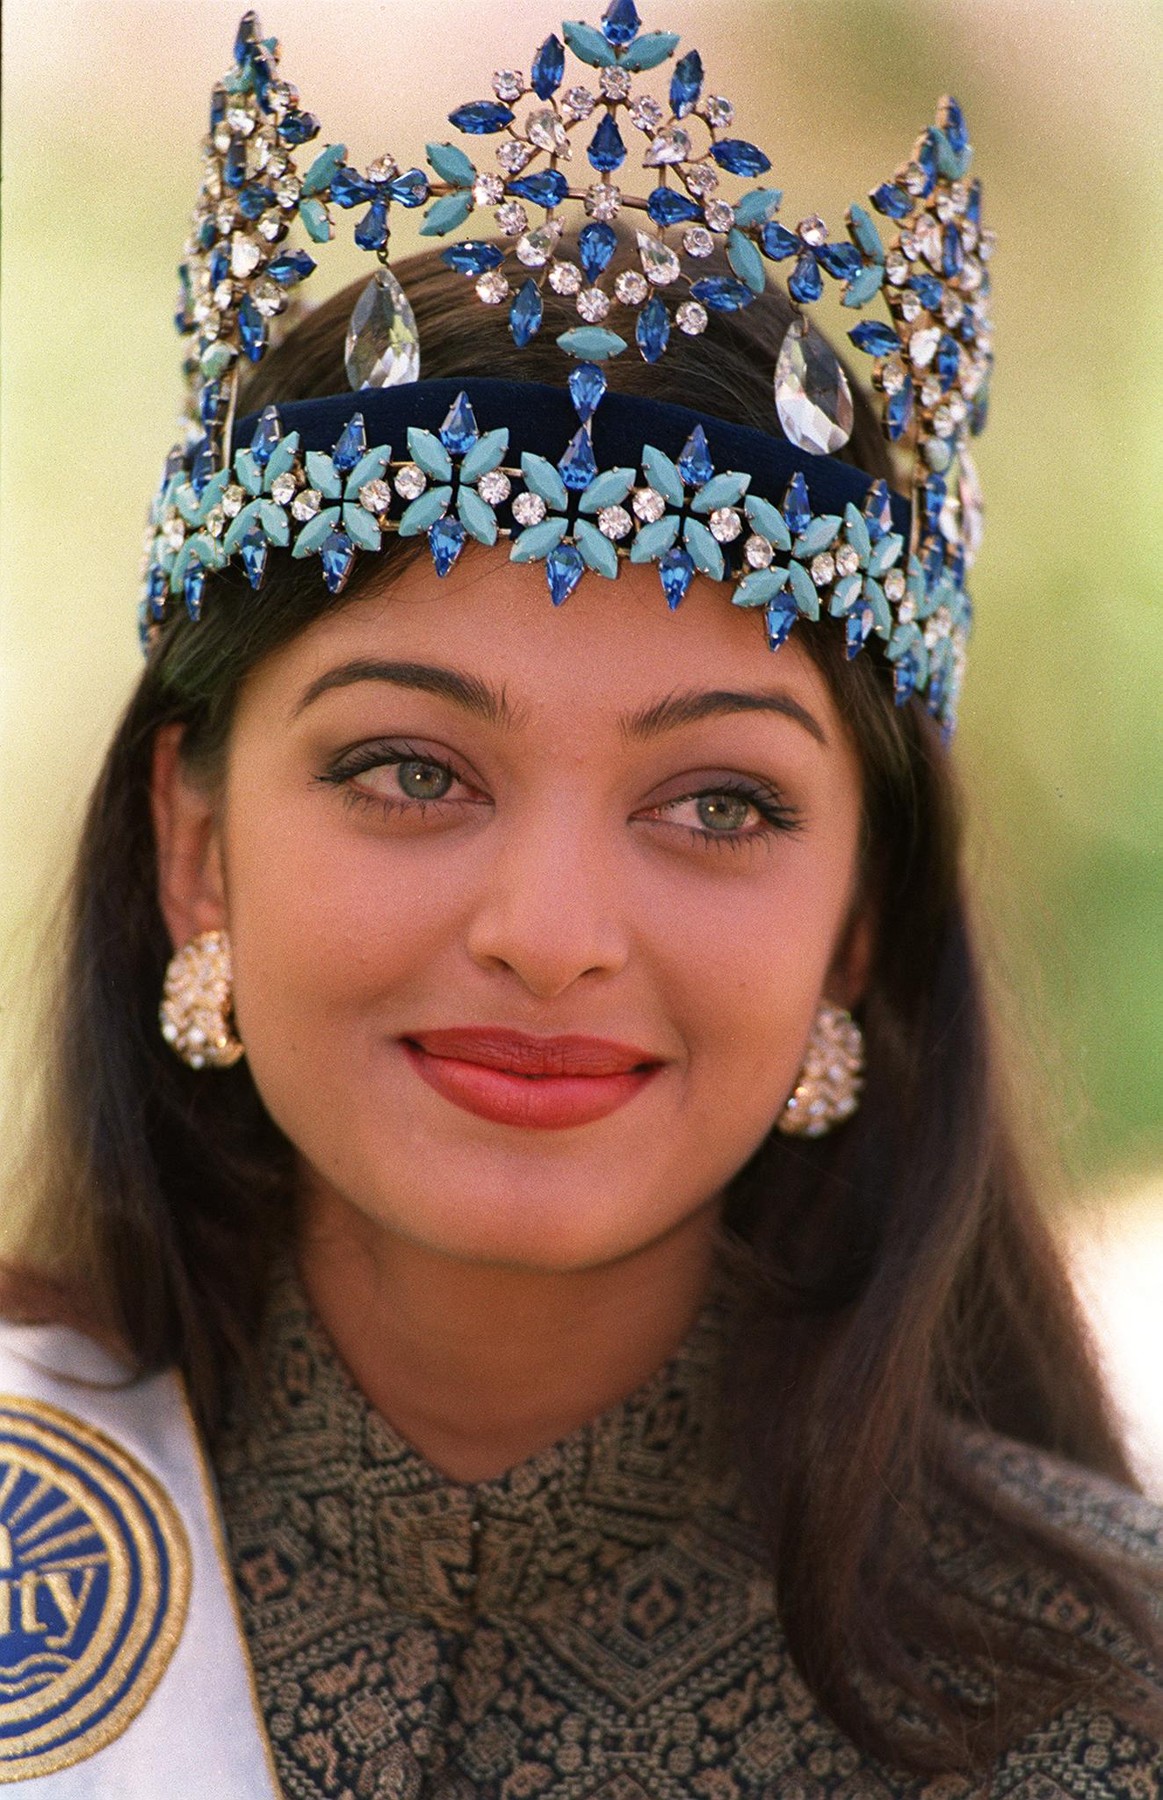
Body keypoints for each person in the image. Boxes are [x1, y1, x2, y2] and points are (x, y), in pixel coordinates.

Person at [1, 5, 1160, 1795]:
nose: (548, 934)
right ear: (195, 846)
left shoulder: (1091, 1708)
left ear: (858, 919)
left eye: (719, 803)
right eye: (412, 771)